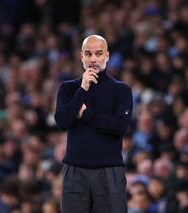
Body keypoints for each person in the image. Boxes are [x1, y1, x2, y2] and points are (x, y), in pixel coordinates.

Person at [54, 35, 133, 213]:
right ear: (81, 57)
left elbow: (119, 127)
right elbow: (62, 122)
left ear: (107, 55)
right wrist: (82, 90)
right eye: (88, 54)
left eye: (98, 53)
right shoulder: (68, 88)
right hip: (74, 171)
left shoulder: (121, 90)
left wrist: (85, 114)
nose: (93, 59)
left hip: (109, 171)